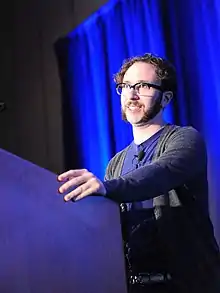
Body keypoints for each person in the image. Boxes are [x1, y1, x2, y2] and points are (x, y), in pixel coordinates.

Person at [58, 53, 220, 293]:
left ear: (165, 98)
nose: (132, 95)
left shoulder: (185, 139)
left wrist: (107, 188)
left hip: (189, 284)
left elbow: (160, 173)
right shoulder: (116, 163)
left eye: (143, 86)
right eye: (126, 86)